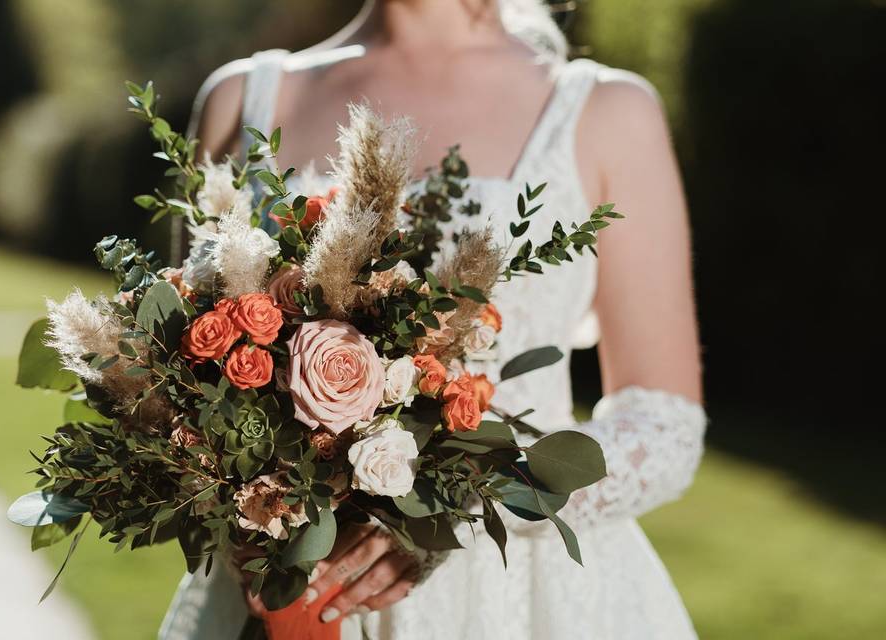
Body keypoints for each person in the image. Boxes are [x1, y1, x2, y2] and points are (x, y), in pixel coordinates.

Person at [159, 1, 706, 638]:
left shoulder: (605, 111)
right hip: (285, 594)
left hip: (517, 598)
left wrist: (462, 509)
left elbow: (664, 425)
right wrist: (241, 510)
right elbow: (180, 371)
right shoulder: (243, 99)